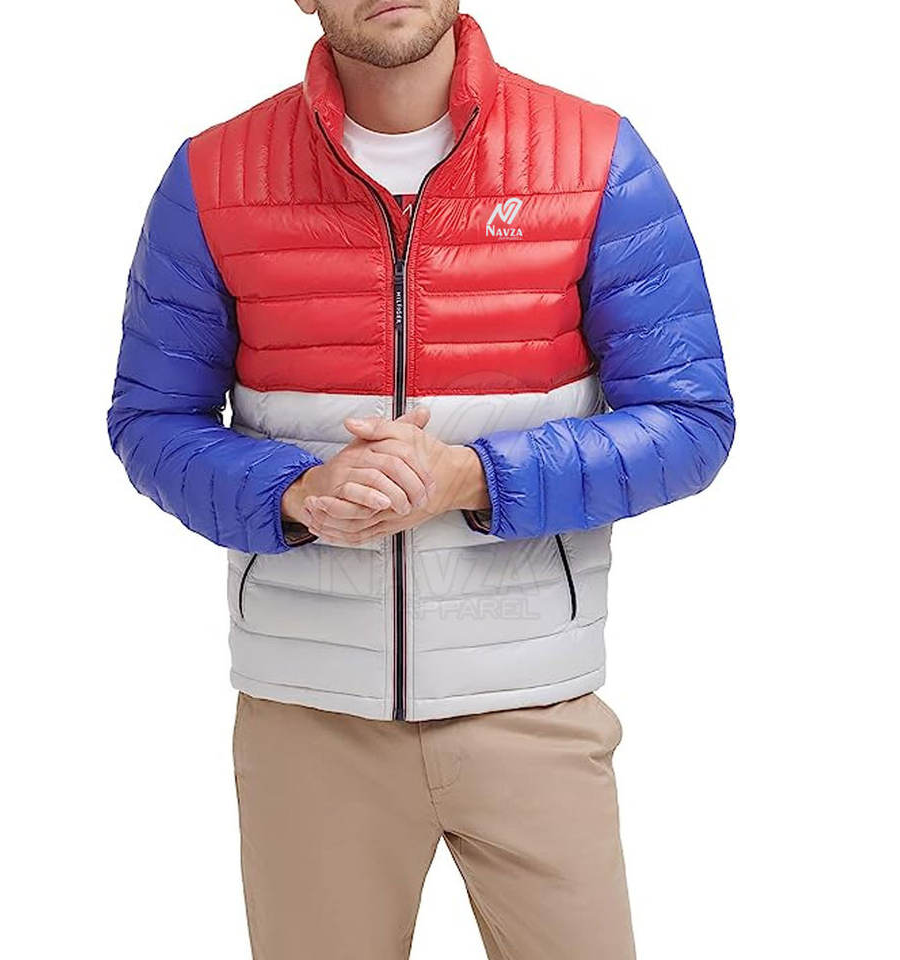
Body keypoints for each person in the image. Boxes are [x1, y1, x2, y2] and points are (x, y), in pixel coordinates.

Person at [107, 3, 735, 957]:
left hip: (534, 706)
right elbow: (150, 421)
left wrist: (472, 477)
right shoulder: (214, 175)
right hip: (308, 721)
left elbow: (691, 423)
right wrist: (294, 493)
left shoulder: (595, 157)